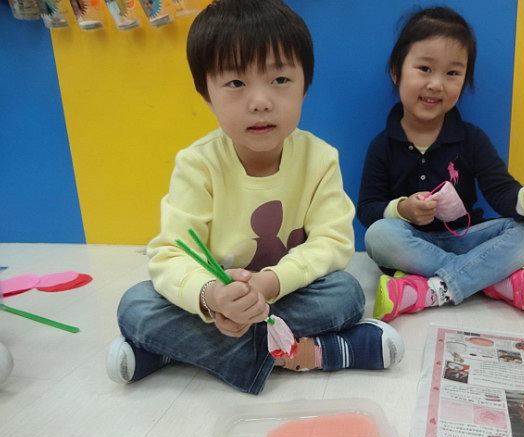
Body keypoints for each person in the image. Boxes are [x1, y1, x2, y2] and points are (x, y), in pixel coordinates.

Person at [105, 0, 404, 395]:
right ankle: (316, 353)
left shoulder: (319, 158)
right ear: (206, 94)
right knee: (136, 304)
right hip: (220, 299)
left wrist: (268, 283)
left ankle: (174, 352)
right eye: (236, 83)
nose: (260, 101)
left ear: (304, 86)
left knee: (345, 294)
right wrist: (213, 297)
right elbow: (171, 254)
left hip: (285, 292)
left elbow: (332, 242)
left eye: (280, 79)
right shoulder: (198, 164)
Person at [357, 7, 524, 321]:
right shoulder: (383, 145)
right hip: (413, 245)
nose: (436, 84)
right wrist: (403, 209)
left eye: (452, 73)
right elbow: (367, 209)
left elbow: (501, 192)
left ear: (465, 79)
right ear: (396, 72)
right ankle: (490, 281)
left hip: (467, 238)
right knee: (378, 236)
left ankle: (431, 289)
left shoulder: (471, 139)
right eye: (425, 68)